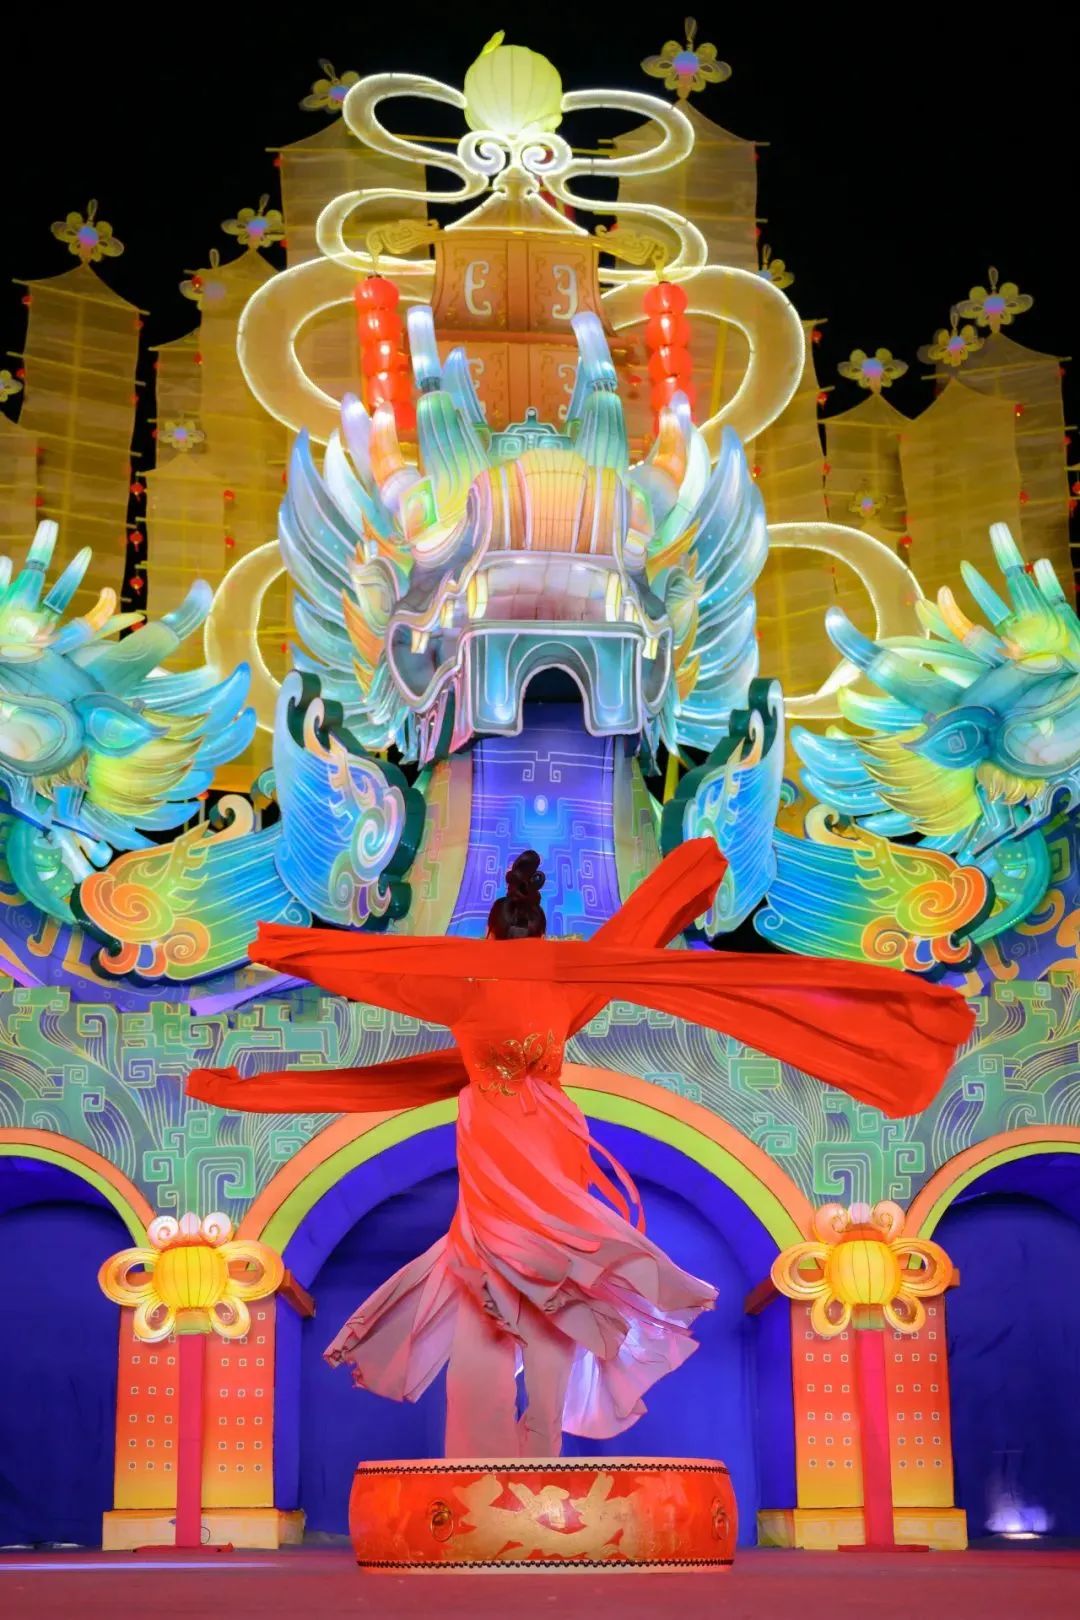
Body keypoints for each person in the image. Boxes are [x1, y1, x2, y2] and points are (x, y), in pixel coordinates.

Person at [187, 839, 973, 1457]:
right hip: (550, 1135)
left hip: (496, 1135)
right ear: (541, 933)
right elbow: (636, 934)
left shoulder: (460, 981)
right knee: (551, 1296)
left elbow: (379, 974)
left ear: (489, 934)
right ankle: (537, 1450)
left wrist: (285, 949)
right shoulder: (571, 977)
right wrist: (693, 872)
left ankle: (482, 1463)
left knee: (488, 1289)